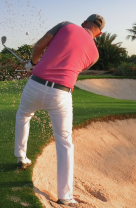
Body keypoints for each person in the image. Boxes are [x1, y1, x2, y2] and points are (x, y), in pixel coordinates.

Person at [14, 14, 105, 205]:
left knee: (23, 115)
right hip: (61, 94)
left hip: (35, 84)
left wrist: (33, 63)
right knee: (64, 142)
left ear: (83, 23)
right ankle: (65, 196)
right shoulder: (95, 55)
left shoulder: (66, 25)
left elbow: (39, 46)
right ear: (99, 34)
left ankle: (21, 157)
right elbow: (73, 65)